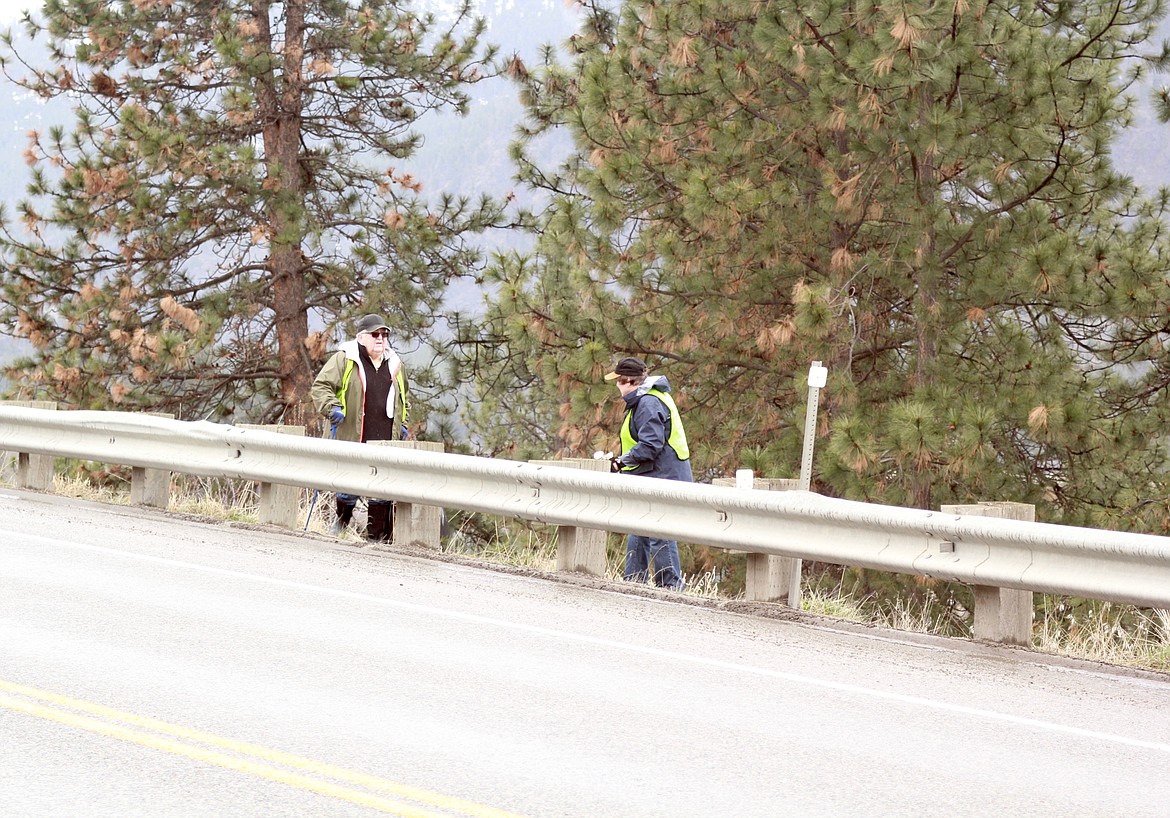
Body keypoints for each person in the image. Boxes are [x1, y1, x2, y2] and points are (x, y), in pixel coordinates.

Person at [310, 313, 409, 542]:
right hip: (353, 435)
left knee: (381, 491)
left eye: (384, 335)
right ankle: (341, 526)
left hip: (385, 439)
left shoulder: (395, 364)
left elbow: (404, 397)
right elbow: (321, 387)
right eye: (375, 334)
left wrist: (402, 424)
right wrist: (331, 407)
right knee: (348, 486)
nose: (381, 339)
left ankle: (376, 539)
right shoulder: (345, 359)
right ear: (361, 337)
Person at [605, 356, 691, 591]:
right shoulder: (648, 398)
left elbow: (651, 445)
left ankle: (670, 586)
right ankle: (634, 581)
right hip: (655, 474)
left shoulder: (647, 403)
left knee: (657, 530)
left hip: (661, 476)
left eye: (618, 381)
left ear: (629, 381)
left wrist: (622, 461)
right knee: (640, 526)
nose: (616, 386)